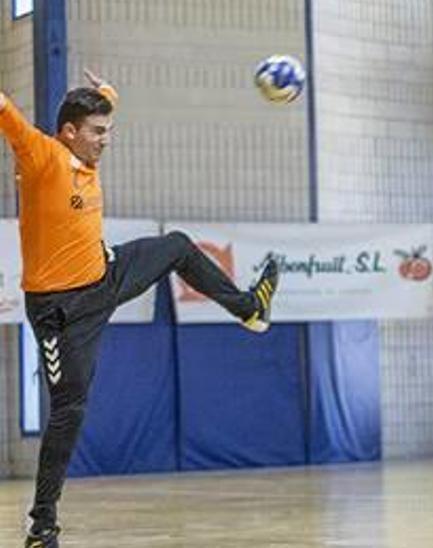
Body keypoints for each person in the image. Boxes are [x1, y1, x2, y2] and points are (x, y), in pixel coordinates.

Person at [1, 71, 280, 548]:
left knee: (177, 246)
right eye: (98, 132)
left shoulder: (83, 145)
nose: (105, 141)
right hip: (60, 311)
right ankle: (41, 524)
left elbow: (99, 107)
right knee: (70, 408)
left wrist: (109, 94)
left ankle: (249, 308)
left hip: (104, 276)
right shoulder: (43, 155)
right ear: (68, 132)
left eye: (108, 131)